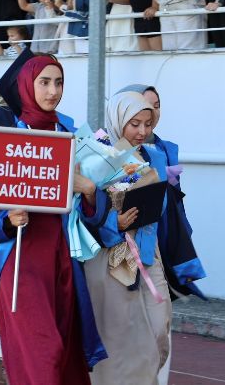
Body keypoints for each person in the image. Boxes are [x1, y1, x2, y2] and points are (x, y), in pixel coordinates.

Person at [0, 51, 107, 385]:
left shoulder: (69, 132)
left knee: (65, 354)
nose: (52, 91)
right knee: (43, 354)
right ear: (27, 84)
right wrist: (5, 220)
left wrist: (88, 191)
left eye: (58, 82)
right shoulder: (3, 126)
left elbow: (93, 217)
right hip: (17, 261)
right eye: (44, 82)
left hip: (63, 261)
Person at [84, 91, 172, 384]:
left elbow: (162, 205)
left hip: (148, 250)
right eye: (135, 123)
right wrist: (114, 222)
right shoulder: (98, 152)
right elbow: (83, 211)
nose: (143, 131)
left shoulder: (153, 154)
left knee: (160, 326)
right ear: (119, 119)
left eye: (148, 123)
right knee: (116, 333)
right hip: (111, 257)